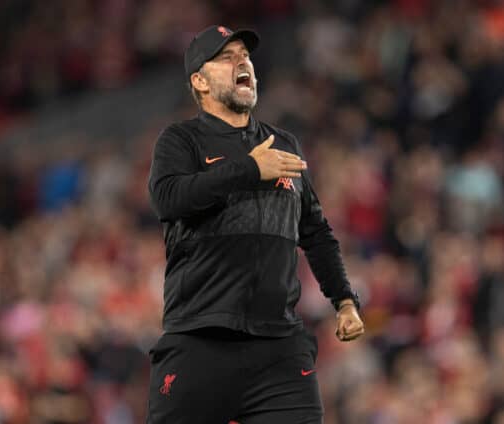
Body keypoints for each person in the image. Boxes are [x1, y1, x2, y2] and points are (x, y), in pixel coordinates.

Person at [147, 25, 364, 424]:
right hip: (201, 337)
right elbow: (169, 199)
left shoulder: (284, 145)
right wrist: (248, 169)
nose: (242, 61)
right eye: (226, 57)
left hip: (279, 348)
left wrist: (344, 300)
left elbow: (314, 232)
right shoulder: (181, 140)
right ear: (200, 81)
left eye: (244, 55)